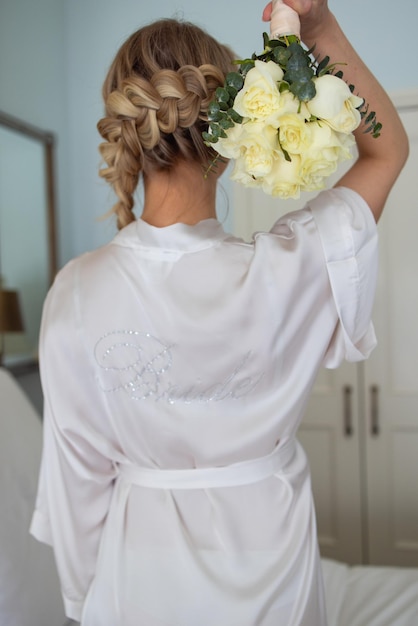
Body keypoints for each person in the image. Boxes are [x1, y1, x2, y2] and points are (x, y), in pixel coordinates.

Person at [30, 1, 408, 625]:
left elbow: (77, 487)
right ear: (230, 138)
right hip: (274, 579)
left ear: (128, 131)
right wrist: (318, 31)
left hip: (137, 586)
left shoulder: (76, 291)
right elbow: (385, 151)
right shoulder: (292, 266)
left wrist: (82, 601)